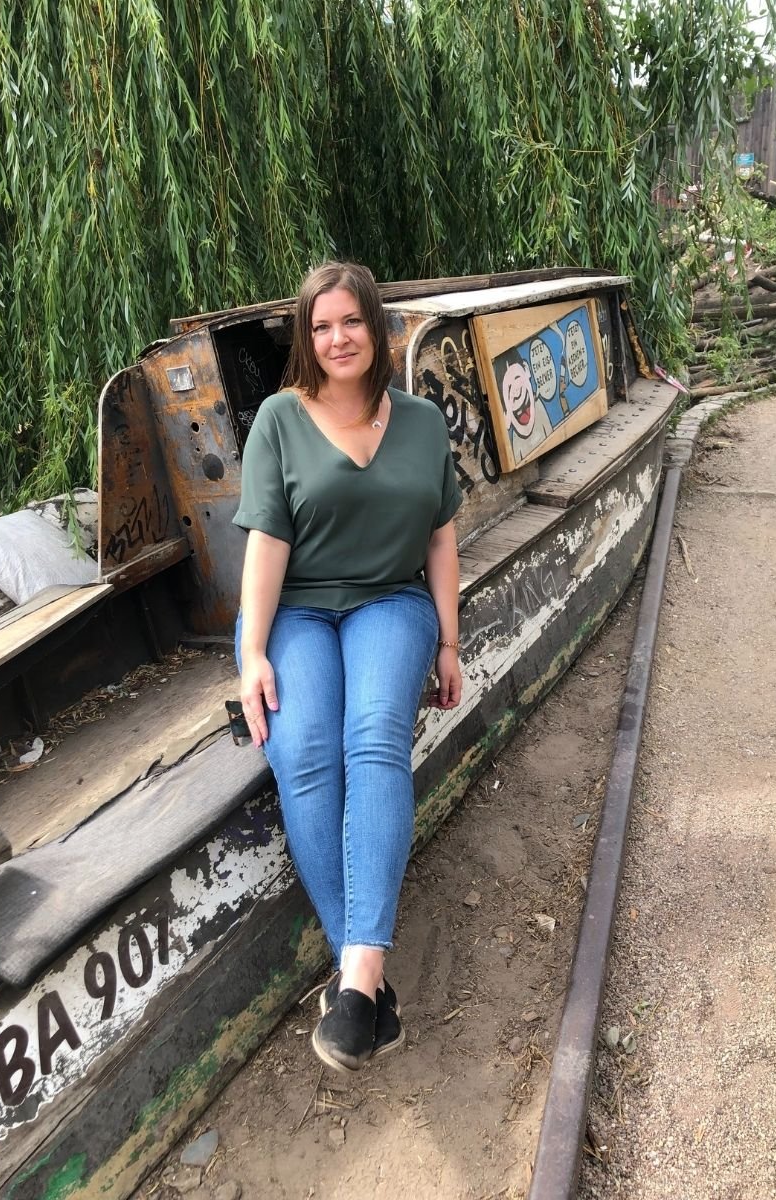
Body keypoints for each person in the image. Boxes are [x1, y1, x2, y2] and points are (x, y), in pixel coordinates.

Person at [233, 261, 463, 1074]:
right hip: (294, 609)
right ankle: (363, 984)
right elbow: (266, 540)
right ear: (306, 336)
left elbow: (439, 535)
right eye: (322, 325)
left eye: (352, 322)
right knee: (301, 755)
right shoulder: (278, 419)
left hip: (389, 604)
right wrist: (251, 650)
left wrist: (448, 641)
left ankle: (356, 980)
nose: (338, 338)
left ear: (377, 329)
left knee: (372, 736)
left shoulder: (423, 422)